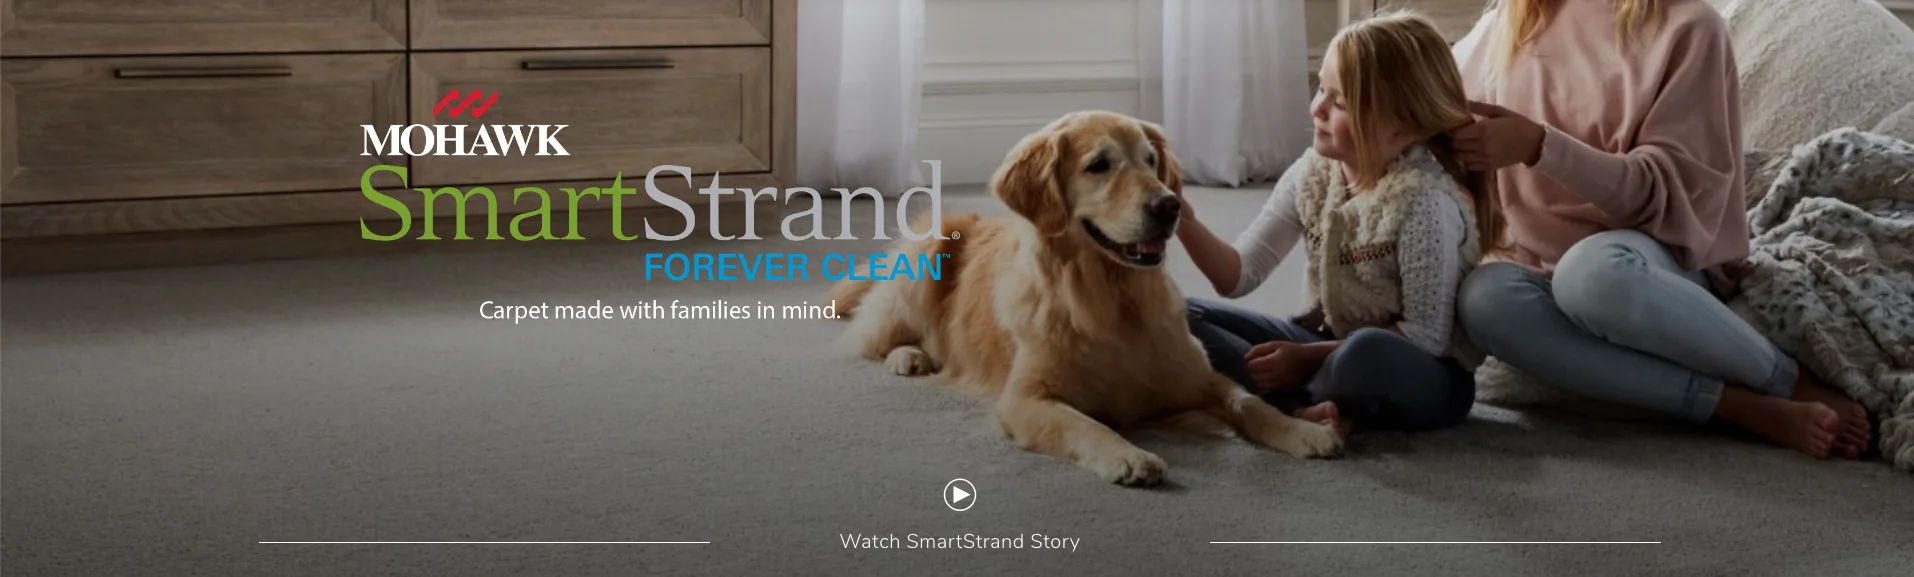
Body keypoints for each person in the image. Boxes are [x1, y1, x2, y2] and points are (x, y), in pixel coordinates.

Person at [1446, 0, 1870, 459]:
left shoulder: (1689, 28)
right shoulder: (1508, 26)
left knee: (1591, 276)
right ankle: (1732, 405)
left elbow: (1660, 196)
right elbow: (1426, 111)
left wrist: (1540, 146)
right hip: (1539, 268)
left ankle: (1788, 380)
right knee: (1482, 297)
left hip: (1655, 261)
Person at [1177, 12, 1500, 439]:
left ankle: (1289, 401)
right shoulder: (1311, 175)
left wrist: (1305, 359)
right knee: (1178, 312)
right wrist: (1179, 213)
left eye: (1339, 103)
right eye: (1320, 90)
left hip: (1420, 369)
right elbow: (1237, 276)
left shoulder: (1425, 201)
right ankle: (1308, 408)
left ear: (1400, 129)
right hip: (1325, 340)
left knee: (1365, 353)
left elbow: (1426, 336)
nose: (1316, 109)